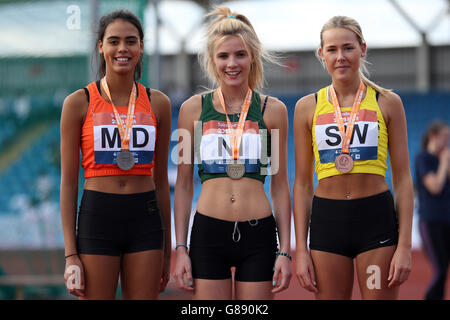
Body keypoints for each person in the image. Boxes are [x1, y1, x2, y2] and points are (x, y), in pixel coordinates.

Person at [173, 6, 292, 300]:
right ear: (213, 61)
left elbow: (279, 185)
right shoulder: (193, 110)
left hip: (259, 233)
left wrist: (286, 251)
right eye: (223, 56)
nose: (232, 63)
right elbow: (185, 184)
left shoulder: (273, 110)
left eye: (240, 54)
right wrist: (180, 249)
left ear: (252, 56)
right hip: (208, 232)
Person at [293, 16, 413, 299]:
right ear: (321, 54)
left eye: (348, 48)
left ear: (363, 49)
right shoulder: (306, 107)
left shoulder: (387, 102)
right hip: (327, 224)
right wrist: (300, 249)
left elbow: (404, 178)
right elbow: (301, 184)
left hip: (376, 224)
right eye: (332, 50)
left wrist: (405, 245)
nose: (340, 57)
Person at [60, 9, 171, 300]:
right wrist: (71, 255)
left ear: (141, 47)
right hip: (98, 217)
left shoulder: (159, 103)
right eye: (114, 41)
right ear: (101, 46)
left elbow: (161, 182)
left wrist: (168, 248)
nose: (122, 48)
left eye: (131, 41)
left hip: (146, 219)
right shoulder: (77, 103)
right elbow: (69, 184)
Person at [415, 121, 450, 300]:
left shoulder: (443, 160)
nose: (447, 143)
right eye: (445, 137)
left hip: (446, 221)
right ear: (433, 137)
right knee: (440, 268)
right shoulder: (423, 158)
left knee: (444, 270)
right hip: (431, 221)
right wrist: (444, 163)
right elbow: (434, 186)